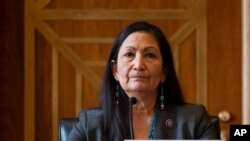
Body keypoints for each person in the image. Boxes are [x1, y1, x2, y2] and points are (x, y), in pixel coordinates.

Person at [67, 21, 220, 141]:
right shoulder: (89, 124)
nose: (139, 65)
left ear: (163, 73)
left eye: (150, 55)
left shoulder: (194, 120)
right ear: (115, 70)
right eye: (129, 54)